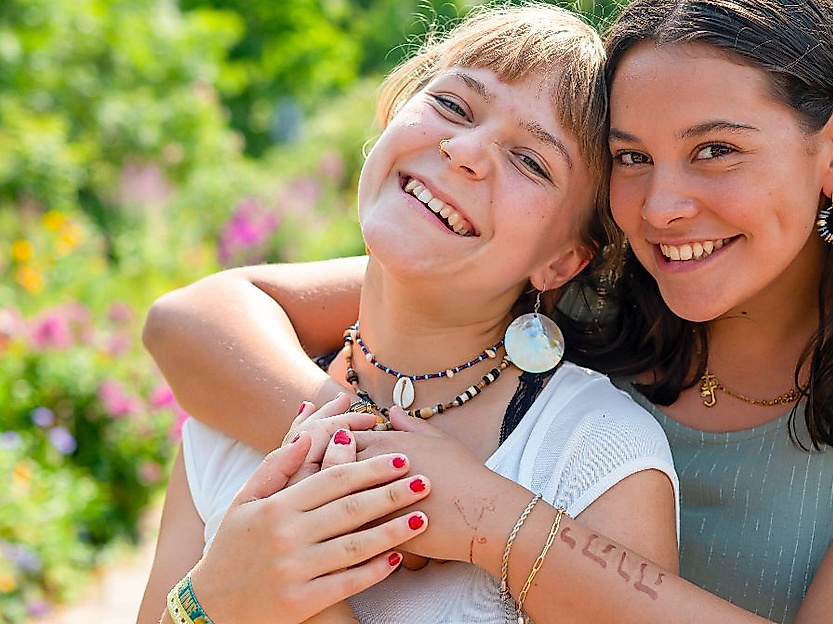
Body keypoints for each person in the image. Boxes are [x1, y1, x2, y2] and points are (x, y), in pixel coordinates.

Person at [143, 0, 833, 622]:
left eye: (716, 150)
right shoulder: (581, 293)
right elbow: (197, 319)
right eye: (631, 158)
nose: (660, 208)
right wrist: (362, 477)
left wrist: (483, 517)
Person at [136, 5, 680, 624]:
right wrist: (210, 602)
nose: (464, 151)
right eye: (452, 106)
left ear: (562, 261)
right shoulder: (228, 410)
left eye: (531, 161)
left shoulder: (596, 455)